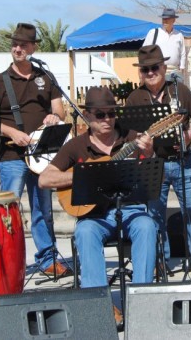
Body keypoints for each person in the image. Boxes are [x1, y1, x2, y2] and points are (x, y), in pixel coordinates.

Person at [39, 87, 157, 326]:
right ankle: (100, 304)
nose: (107, 120)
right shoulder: (76, 146)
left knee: (147, 225)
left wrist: (149, 153)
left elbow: (152, 176)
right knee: (84, 231)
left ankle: (141, 299)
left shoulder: (131, 137)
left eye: (111, 114)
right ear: (88, 116)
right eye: (100, 115)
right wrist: (86, 176)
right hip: (94, 216)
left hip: (130, 210)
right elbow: (45, 179)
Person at [0, 23, 70, 277]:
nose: (17, 48)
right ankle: (4, 259)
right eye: (14, 44)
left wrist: (54, 117)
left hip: (41, 155)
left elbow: (59, 110)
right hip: (12, 156)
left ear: (33, 47)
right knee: (7, 209)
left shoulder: (45, 77)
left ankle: (48, 259)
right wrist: (12, 132)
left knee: (43, 208)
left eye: (23, 44)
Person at [125, 45, 191, 271]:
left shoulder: (179, 90)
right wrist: (139, 141)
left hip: (182, 159)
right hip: (152, 164)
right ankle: (159, 261)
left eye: (154, 67)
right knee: (154, 214)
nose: (150, 73)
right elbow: (127, 132)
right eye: (145, 70)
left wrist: (190, 133)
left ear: (164, 67)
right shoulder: (135, 97)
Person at [143, 8, 186, 79]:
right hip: (157, 71)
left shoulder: (179, 35)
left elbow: (183, 53)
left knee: (175, 90)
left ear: (173, 20)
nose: (165, 21)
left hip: (174, 71)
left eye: (167, 19)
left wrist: (182, 68)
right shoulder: (153, 33)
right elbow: (144, 51)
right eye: (163, 19)